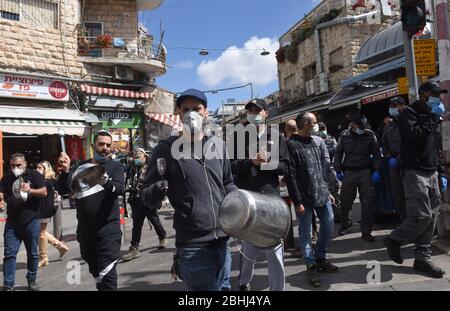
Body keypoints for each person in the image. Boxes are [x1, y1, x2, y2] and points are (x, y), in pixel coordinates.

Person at [141, 89, 238, 291]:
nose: (191, 114)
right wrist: (156, 191)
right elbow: (146, 195)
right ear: (178, 113)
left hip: (223, 239)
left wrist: (240, 202)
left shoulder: (218, 145)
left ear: (205, 112)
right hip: (194, 246)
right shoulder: (165, 149)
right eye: (186, 109)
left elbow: (228, 182)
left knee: (225, 289)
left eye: (197, 108)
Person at [383, 81, 448, 278]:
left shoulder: (432, 115)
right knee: (422, 216)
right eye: (435, 94)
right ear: (424, 95)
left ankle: (422, 259)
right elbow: (416, 136)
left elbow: (434, 144)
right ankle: (394, 239)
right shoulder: (408, 114)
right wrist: (433, 116)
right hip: (414, 171)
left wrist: (440, 171)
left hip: (431, 170)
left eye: (440, 95)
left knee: (432, 216)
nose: (439, 98)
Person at [231, 98, 290, 291]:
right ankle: (243, 282)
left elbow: (285, 167)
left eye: (258, 110)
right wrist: (251, 162)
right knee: (249, 248)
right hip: (249, 201)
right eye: (251, 111)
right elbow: (233, 167)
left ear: (266, 113)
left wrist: (266, 162)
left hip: (271, 201)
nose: (254, 114)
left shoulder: (276, 136)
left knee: (274, 249)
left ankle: (277, 288)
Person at [57, 130, 124, 290]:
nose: (105, 148)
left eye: (108, 145)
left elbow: (119, 189)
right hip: (86, 232)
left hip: (108, 231)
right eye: (101, 144)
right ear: (93, 145)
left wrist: (105, 182)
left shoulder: (115, 166)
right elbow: (64, 191)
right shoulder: (81, 166)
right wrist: (66, 171)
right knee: (98, 275)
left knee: (107, 277)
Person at [285, 112, 339, 288]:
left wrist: (327, 190)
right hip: (304, 198)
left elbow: (320, 169)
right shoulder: (290, 145)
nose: (316, 125)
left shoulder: (315, 142)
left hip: (321, 193)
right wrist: (297, 201)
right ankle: (311, 265)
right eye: (314, 122)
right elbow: (290, 175)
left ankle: (321, 257)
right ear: (306, 124)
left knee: (329, 225)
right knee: (305, 233)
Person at [1, 153, 47, 291]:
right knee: (9, 254)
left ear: (25, 163)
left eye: (18, 165)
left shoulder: (34, 175)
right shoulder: (7, 177)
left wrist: (30, 190)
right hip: (12, 222)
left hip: (31, 221)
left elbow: (44, 191)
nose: (15, 168)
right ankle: (8, 284)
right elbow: (1, 191)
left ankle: (31, 279)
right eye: (13, 166)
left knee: (32, 253)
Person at [334, 114, 382, 242]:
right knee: (345, 202)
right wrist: (337, 169)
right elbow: (338, 153)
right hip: (349, 172)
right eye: (359, 126)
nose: (362, 129)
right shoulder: (344, 135)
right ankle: (345, 224)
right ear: (353, 125)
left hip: (365, 172)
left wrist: (376, 170)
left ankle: (366, 230)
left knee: (367, 202)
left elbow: (376, 153)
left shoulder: (370, 134)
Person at [121, 149, 167, 262]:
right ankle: (134, 248)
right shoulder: (132, 167)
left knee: (154, 220)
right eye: (135, 158)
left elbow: (160, 182)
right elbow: (125, 176)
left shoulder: (150, 168)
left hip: (148, 199)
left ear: (144, 157)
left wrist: (162, 197)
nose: (137, 160)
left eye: (139, 157)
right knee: (136, 224)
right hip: (135, 199)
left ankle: (162, 236)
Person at [36, 161, 69, 267]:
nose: (38, 170)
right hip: (45, 208)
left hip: (44, 209)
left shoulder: (46, 181)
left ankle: (44, 257)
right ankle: (59, 245)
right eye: (37, 167)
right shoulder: (51, 180)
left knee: (41, 233)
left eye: (40, 168)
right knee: (41, 231)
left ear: (46, 169)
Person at [382, 97, 408, 221]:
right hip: (394, 163)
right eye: (391, 105)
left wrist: (402, 156)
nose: (392, 108)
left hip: (409, 163)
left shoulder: (410, 121)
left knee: (413, 193)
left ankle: (416, 221)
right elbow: (384, 145)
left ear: (403, 106)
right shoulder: (389, 126)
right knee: (398, 193)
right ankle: (404, 219)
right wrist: (389, 158)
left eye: (395, 105)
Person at [318, 122, 340, 222]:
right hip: (319, 171)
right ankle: (327, 216)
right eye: (321, 128)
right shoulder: (315, 140)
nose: (322, 130)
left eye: (323, 128)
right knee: (323, 193)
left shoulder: (331, 139)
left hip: (330, 169)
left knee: (335, 191)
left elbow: (336, 151)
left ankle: (338, 214)